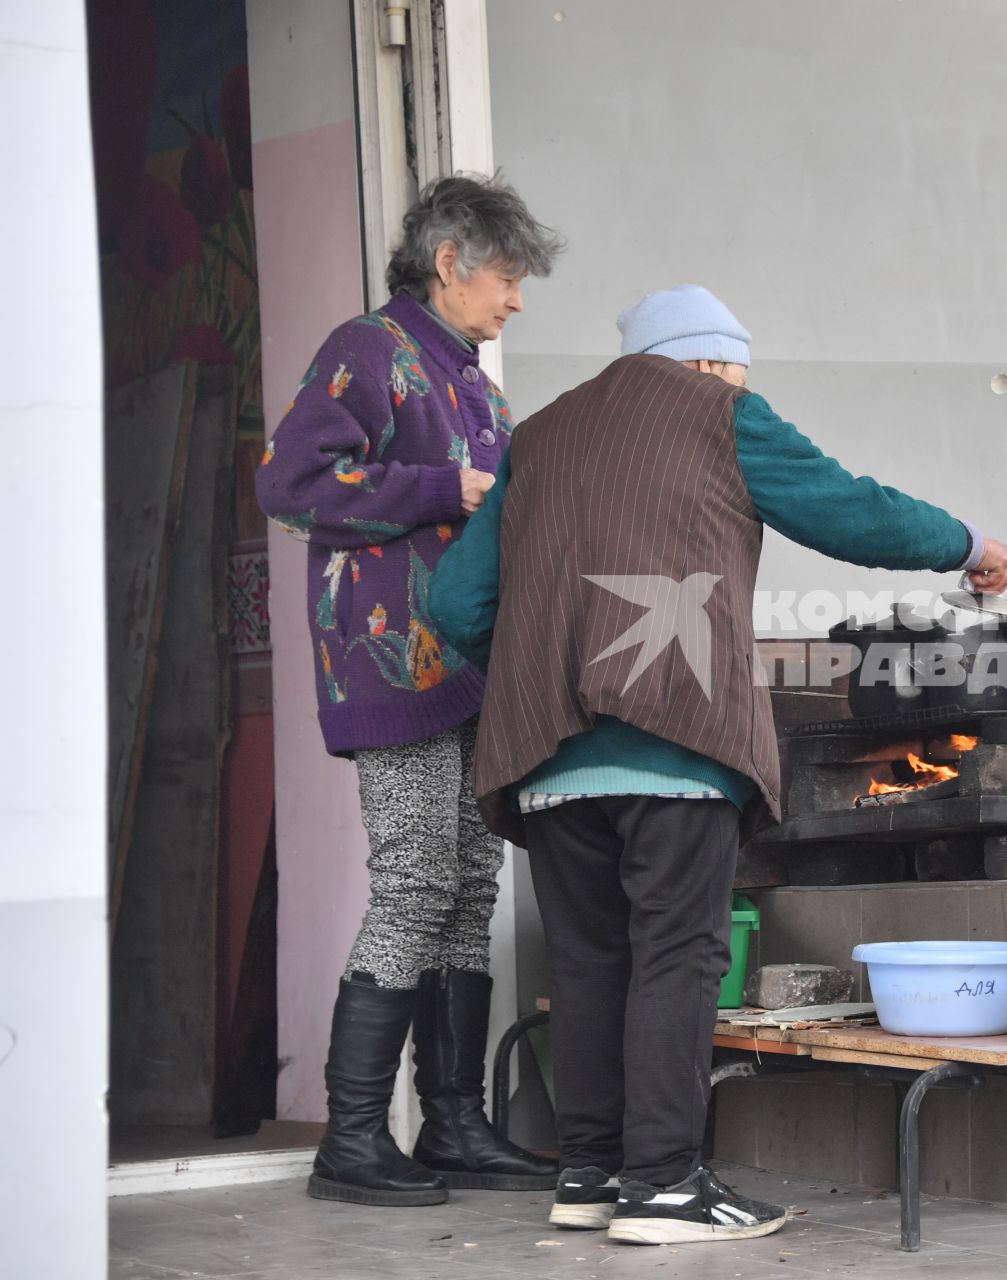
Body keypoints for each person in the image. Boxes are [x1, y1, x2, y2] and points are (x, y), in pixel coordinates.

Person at [428, 285, 1007, 1245]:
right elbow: (848, 510)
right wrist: (967, 543)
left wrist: (553, 659)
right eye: (738, 372)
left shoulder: (537, 437)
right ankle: (663, 1186)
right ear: (706, 363)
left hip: (547, 762)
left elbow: (456, 604)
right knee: (678, 955)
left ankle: (593, 1172)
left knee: (587, 964)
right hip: (675, 741)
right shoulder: (720, 412)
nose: (742, 385)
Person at [255, 174, 564, 1207]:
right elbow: (290, 484)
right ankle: (349, 1141)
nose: (516, 299)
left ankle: (455, 1125)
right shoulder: (366, 350)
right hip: (391, 663)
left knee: (472, 889)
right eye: (508, 276)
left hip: (471, 667)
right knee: (416, 882)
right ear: (450, 262)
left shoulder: (473, 381)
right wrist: (444, 486)